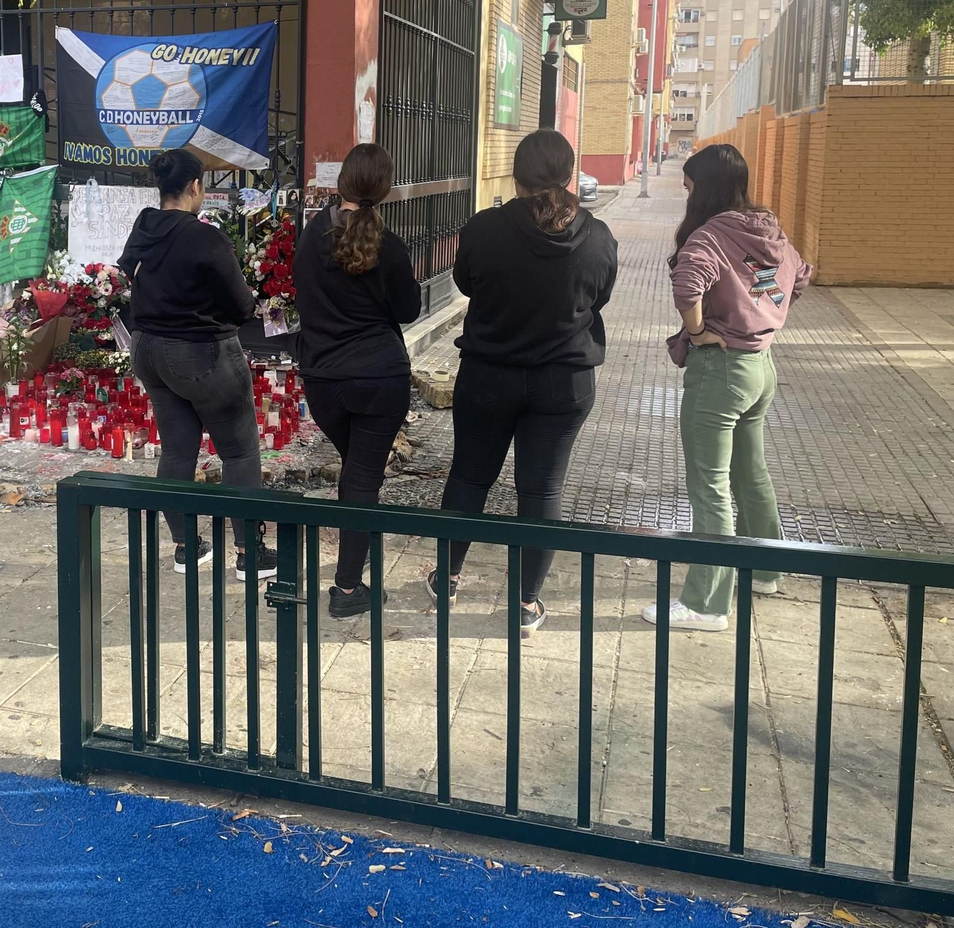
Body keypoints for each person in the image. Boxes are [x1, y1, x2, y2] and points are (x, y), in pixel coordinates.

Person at [432, 130, 618, 637]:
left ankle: (446, 577)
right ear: (569, 174)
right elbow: (597, 296)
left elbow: (467, 283)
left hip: (489, 375)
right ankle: (526, 603)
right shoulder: (597, 236)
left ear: (516, 176)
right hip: (565, 382)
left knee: (470, 476)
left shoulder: (483, 229)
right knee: (542, 489)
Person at [644, 143, 810, 631]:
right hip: (761, 368)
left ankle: (706, 604)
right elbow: (796, 278)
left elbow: (688, 284)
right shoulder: (765, 229)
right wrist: (763, 317)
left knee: (710, 484)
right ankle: (765, 569)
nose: (686, 192)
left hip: (719, 372)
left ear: (707, 187)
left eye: (690, 184)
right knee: (750, 472)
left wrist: (697, 331)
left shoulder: (710, 234)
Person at [119, 149, 277, 580]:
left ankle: (188, 547)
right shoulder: (206, 238)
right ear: (194, 187)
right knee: (240, 450)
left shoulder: (144, 225)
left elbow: (128, 273)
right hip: (201, 352)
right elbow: (242, 305)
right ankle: (250, 554)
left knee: (176, 449)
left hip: (149, 349)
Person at [295, 144, 423, 619]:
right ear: (384, 189)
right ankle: (347, 589)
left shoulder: (311, 235)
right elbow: (408, 310)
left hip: (323, 380)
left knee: (356, 474)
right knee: (362, 480)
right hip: (377, 377)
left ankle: (353, 572)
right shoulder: (388, 245)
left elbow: (304, 297)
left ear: (341, 182)